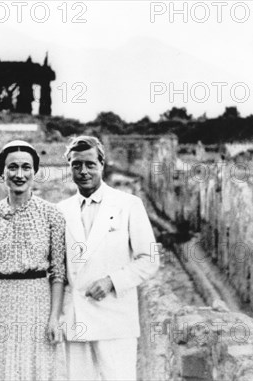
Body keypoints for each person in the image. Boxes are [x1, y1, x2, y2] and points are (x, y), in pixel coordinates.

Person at [57, 136, 160, 380]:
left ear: (102, 164)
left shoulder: (128, 205)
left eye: (90, 164)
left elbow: (150, 258)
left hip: (115, 319)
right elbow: (57, 268)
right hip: (76, 319)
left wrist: (112, 281)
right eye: (76, 165)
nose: (83, 171)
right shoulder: (61, 210)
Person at [0, 140, 66, 380]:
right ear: (1, 172)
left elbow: (58, 273)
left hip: (39, 301)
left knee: (39, 368)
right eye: (12, 167)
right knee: (6, 369)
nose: (19, 174)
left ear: (34, 172)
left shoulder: (52, 214)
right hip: (2, 302)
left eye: (26, 167)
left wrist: (55, 317)